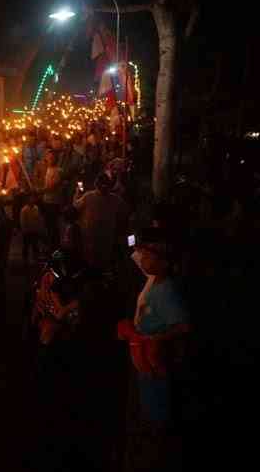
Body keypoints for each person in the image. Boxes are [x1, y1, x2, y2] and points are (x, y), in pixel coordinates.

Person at [118, 229, 191, 427]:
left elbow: (183, 326)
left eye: (148, 256)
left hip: (155, 355)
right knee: (148, 387)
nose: (142, 259)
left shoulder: (165, 291)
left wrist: (156, 339)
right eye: (143, 255)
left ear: (164, 263)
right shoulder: (154, 278)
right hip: (145, 353)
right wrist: (132, 241)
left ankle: (157, 426)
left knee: (155, 391)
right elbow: (136, 253)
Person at [73, 173, 129, 270]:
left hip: (89, 235)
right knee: (103, 260)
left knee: (90, 259)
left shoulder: (88, 196)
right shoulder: (115, 198)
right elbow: (125, 211)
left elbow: (75, 206)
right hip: (107, 235)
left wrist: (77, 192)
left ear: (96, 184)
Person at [42, 151, 64, 248]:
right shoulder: (47, 169)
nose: (50, 160)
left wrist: (39, 190)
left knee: (53, 227)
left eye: (52, 158)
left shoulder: (58, 171)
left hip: (54, 202)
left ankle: (56, 250)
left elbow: (52, 187)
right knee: (48, 225)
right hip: (46, 201)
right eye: (49, 157)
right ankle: (51, 247)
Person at [21, 193, 45, 265]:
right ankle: (25, 259)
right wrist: (24, 229)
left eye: (33, 198)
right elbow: (22, 221)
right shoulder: (24, 210)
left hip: (34, 230)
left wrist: (39, 227)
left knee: (35, 245)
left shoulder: (36, 208)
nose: (32, 200)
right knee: (26, 245)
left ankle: (36, 258)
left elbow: (38, 218)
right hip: (27, 231)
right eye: (30, 198)